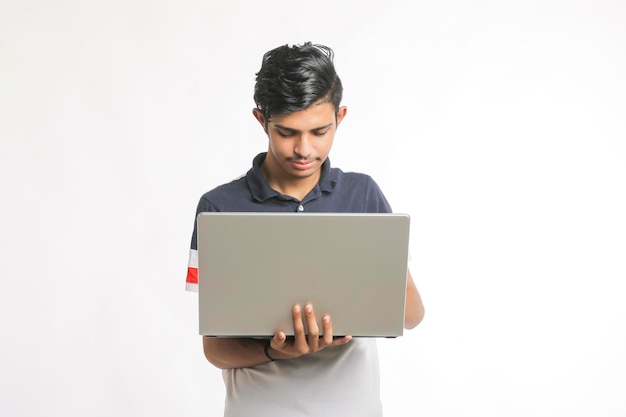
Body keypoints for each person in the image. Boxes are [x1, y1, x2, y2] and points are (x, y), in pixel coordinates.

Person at [185, 42, 425, 417]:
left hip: (352, 407)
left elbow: (411, 312)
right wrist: (272, 350)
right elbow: (215, 349)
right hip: (259, 408)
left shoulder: (362, 194)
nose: (304, 149)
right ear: (261, 120)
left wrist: (361, 305)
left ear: (340, 117)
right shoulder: (218, 209)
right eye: (286, 132)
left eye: (319, 131)